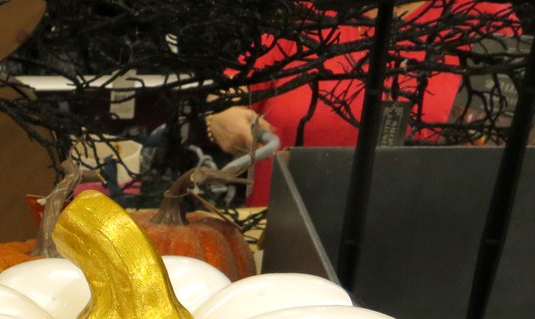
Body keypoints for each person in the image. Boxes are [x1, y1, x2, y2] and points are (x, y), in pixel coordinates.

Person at [205, 0, 521, 205]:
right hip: (282, 235)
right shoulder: (307, 11)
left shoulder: (484, 17)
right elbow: (232, 90)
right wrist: (220, 114)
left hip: (425, 241)